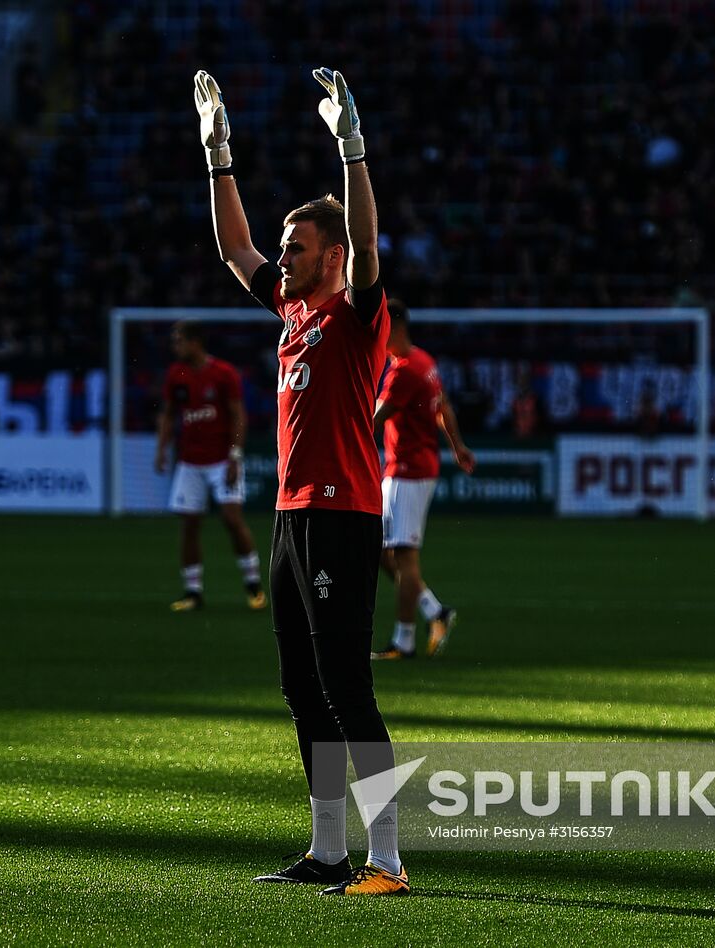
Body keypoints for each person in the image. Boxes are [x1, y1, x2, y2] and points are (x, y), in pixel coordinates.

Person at [196, 67, 407, 895]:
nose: (280, 257)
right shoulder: (292, 313)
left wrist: (352, 148)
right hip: (288, 515)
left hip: (343, 515)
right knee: (301, 689)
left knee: (348, 686)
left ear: (331, 256)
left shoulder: (356, 310)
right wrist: (219, 157)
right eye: (284, 247)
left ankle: (387, 858)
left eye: (296, 247)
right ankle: (328, 850)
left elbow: (365, 240)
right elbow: (231, 249)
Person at [369, 299, 476, 660]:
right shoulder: (424, 362)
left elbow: (374, 420)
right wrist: (458, 446)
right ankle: (434, 610)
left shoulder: (404, 373)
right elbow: (443, 408)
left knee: (405, 557)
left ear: (393, 327)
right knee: (379, 551)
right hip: (406, 471)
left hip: (408, 474)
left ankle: (404, 641)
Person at [154, 320, 265, 612]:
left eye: (179, 340)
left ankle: (253, 584)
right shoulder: (175, 375)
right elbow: (168, 415)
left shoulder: (223, 373)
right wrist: (162, 449)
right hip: (190, 461)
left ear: (195, 342)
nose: (175, 346)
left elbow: (238, 416)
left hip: (221, 460)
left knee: (231, 518)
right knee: (189, 524)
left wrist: (235, 456)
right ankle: (193, 591)